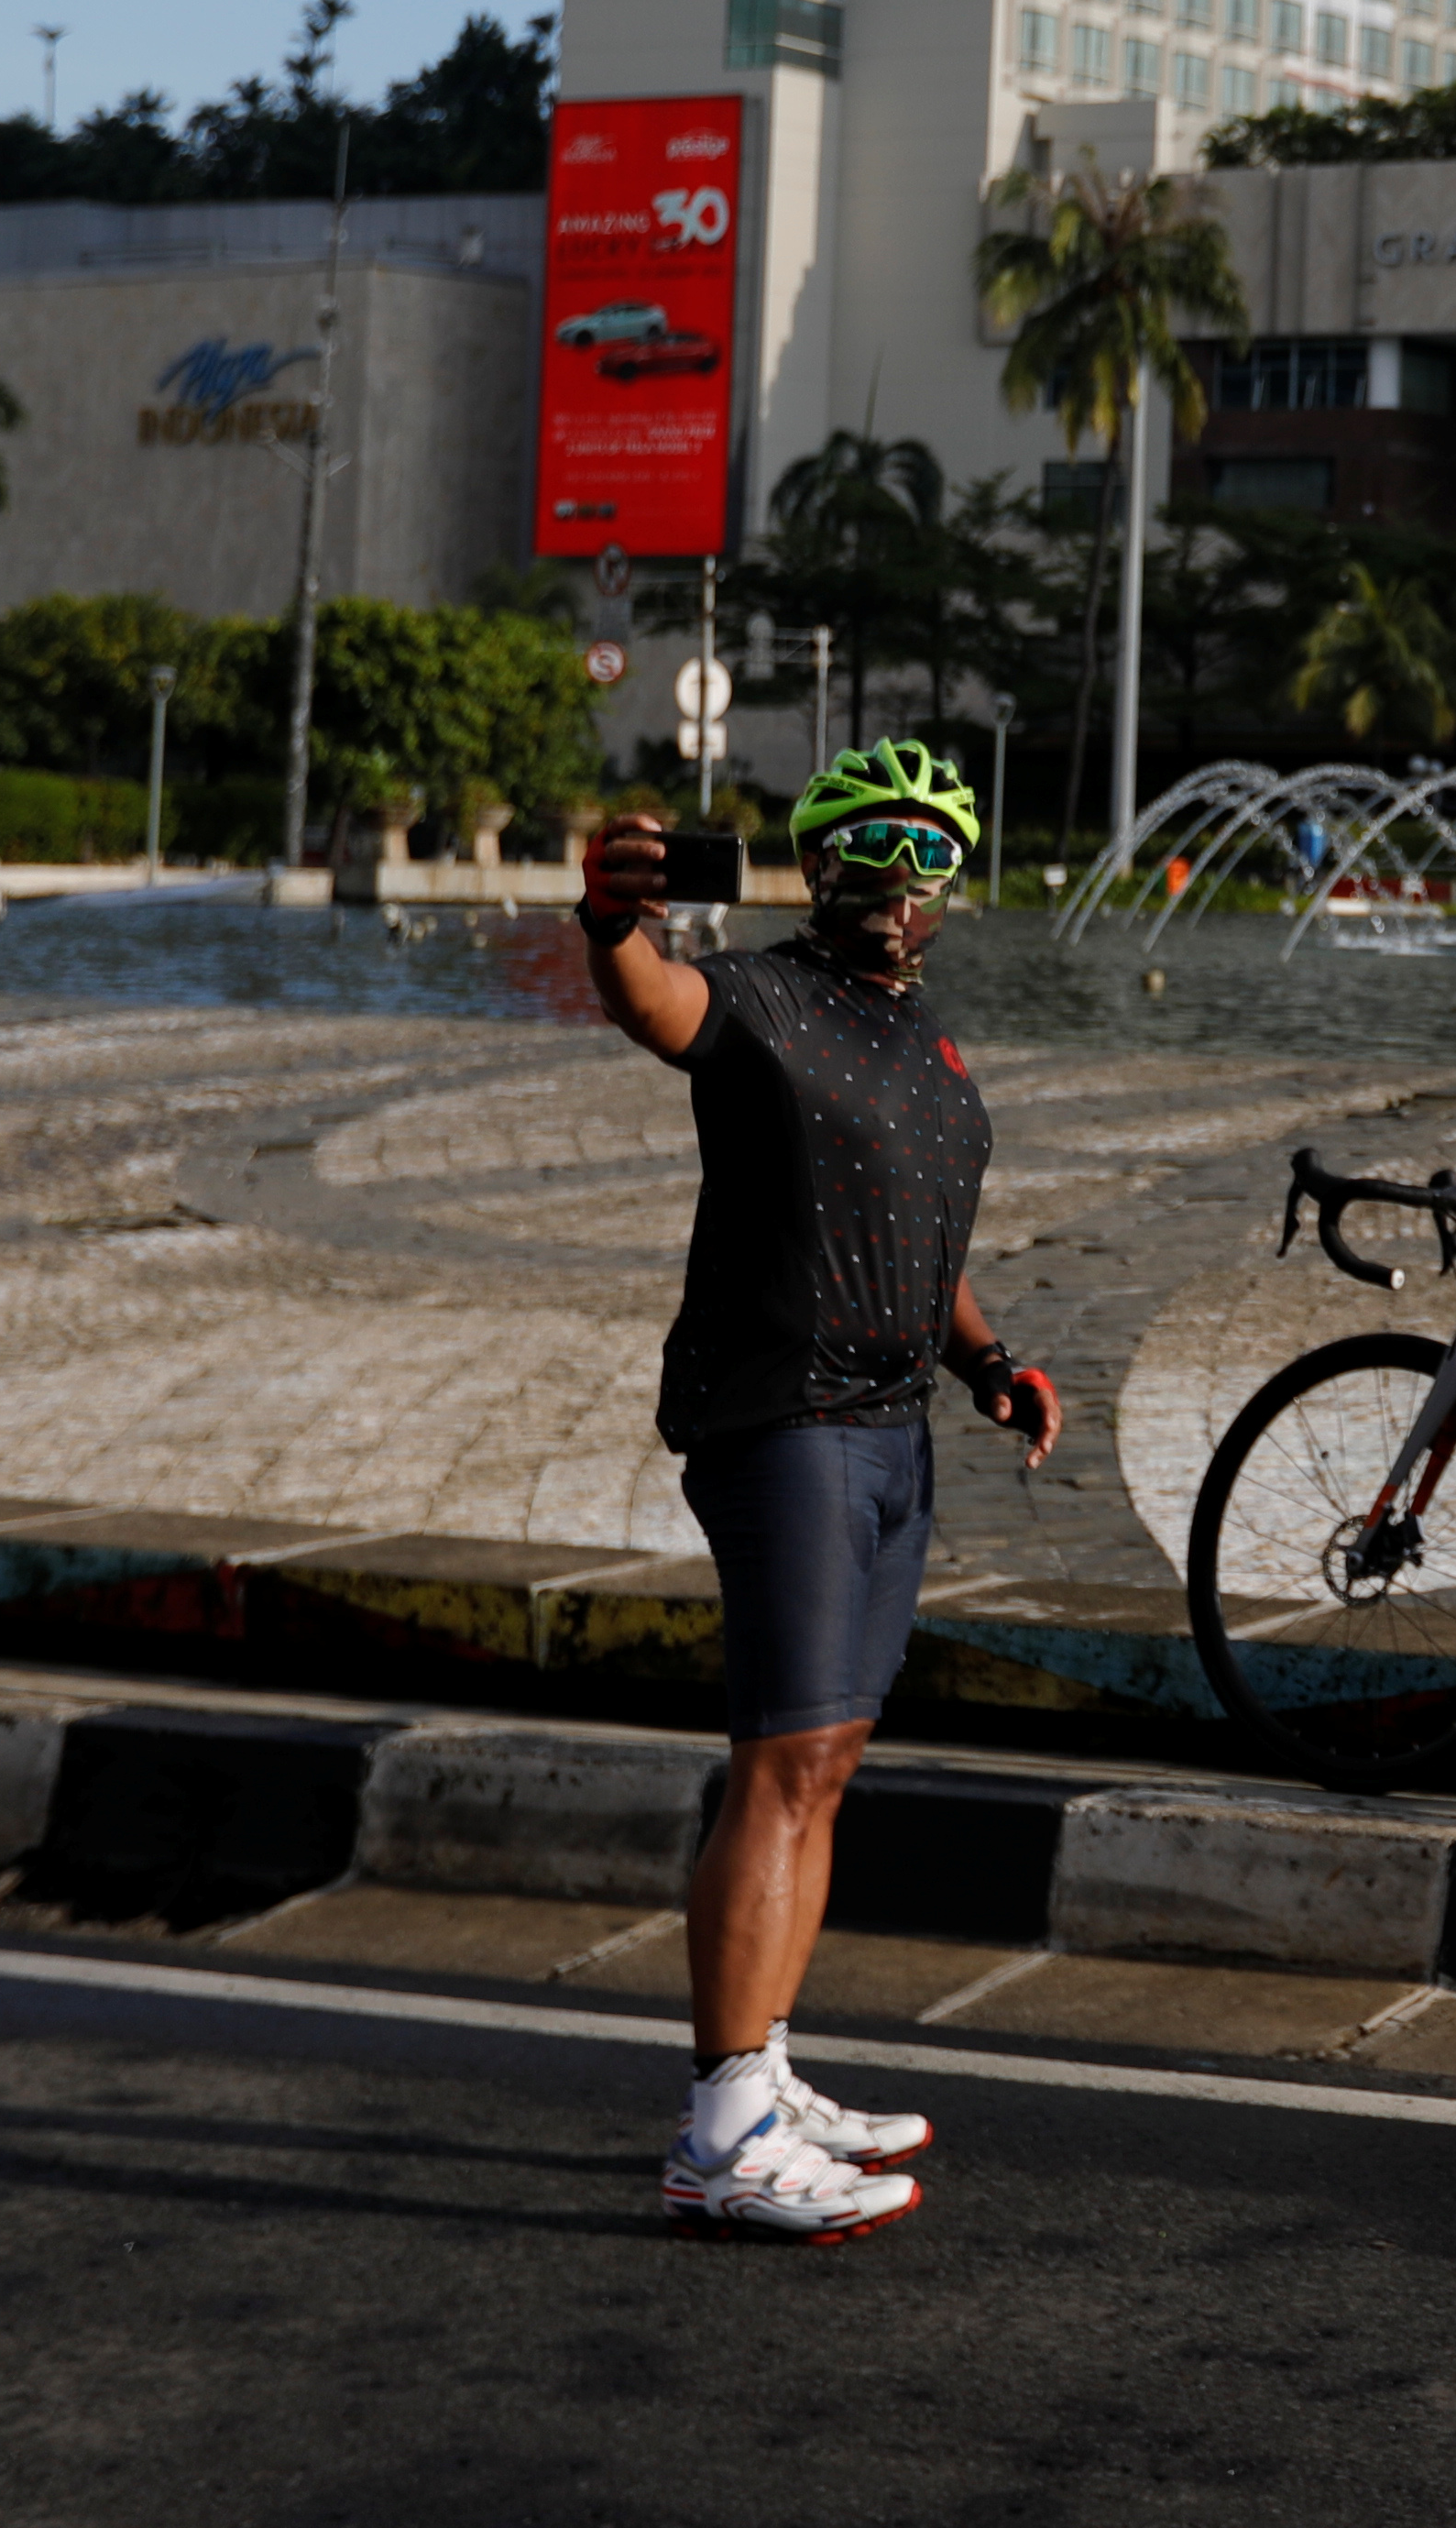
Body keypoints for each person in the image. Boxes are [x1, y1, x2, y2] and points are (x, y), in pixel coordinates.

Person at [575, 740, 1062, 2246]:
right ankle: (720, 2128)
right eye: (872, 845)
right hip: (783, 1421)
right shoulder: (760, 996)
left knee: (829, 1760)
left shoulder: (929, 1046)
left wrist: (992, 1363)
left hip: (894, 1424)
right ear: (818, 863)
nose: (900, 877)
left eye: (930, 851)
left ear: (954, 888)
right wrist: (609, 921)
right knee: (779, 1762)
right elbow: (653, 1004)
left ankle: (766, 2072)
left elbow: (919, 1226)